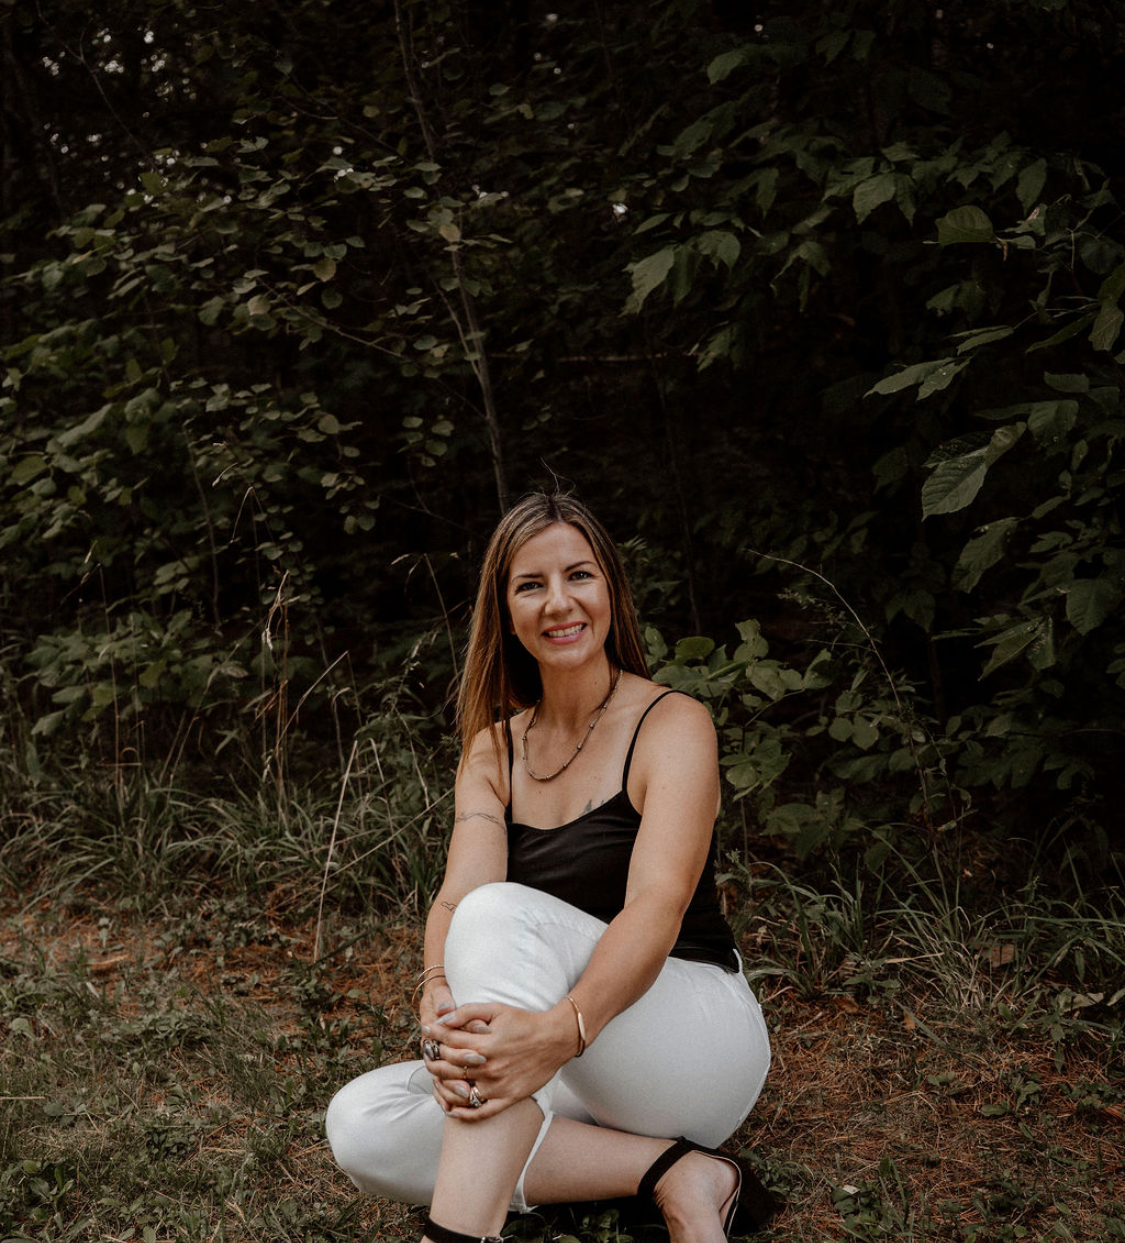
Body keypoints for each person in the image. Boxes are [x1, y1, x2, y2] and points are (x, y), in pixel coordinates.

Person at [325, 493, 777, 1243]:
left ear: (611, 591)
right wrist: (437, 991)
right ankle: (673, 1172)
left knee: (500, 913)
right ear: (505, 613)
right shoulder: (492, 751)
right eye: (531, 585)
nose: (559, 602)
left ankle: (458, 1233)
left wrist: (560, 1032)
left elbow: (657, 907)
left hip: (687, 1042)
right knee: (360, 1122)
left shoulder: (672, 724)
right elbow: (456, 898)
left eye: (579, 575)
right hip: (567, 1066)